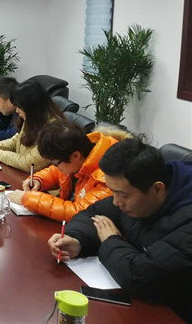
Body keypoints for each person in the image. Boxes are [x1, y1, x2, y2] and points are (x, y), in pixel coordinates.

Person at [47, 138, 192, 322]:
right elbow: (93, 213)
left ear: (157, 189)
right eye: (113, 192)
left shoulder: (186, 222)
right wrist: (77, 240)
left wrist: (110, 240)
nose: (115, 202)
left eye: (122, 195)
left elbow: (140, 276)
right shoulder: (137, 191)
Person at [6, 120, 130, 221]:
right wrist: (39, 180)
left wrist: (28, 199)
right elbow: (57, 172)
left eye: (57, 163)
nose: (56, 167)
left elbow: (79, 212)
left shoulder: (110, 174)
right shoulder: (79, 153)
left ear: (75, 156)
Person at [0, 80, 64, 172]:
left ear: (31, 106)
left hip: (37, 178)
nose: (17, 111)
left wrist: (1, 154)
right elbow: (17, 140)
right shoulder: (32, 118)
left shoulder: (53, 129)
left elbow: (29, 164)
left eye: (19, 106)